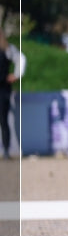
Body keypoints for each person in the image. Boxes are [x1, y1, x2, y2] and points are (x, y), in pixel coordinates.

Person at [0, 28, 25, 159]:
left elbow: (21, 59)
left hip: (3, 88)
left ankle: (5, 150)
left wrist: (16, 75)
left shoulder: (7, 49)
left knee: (3, 120)